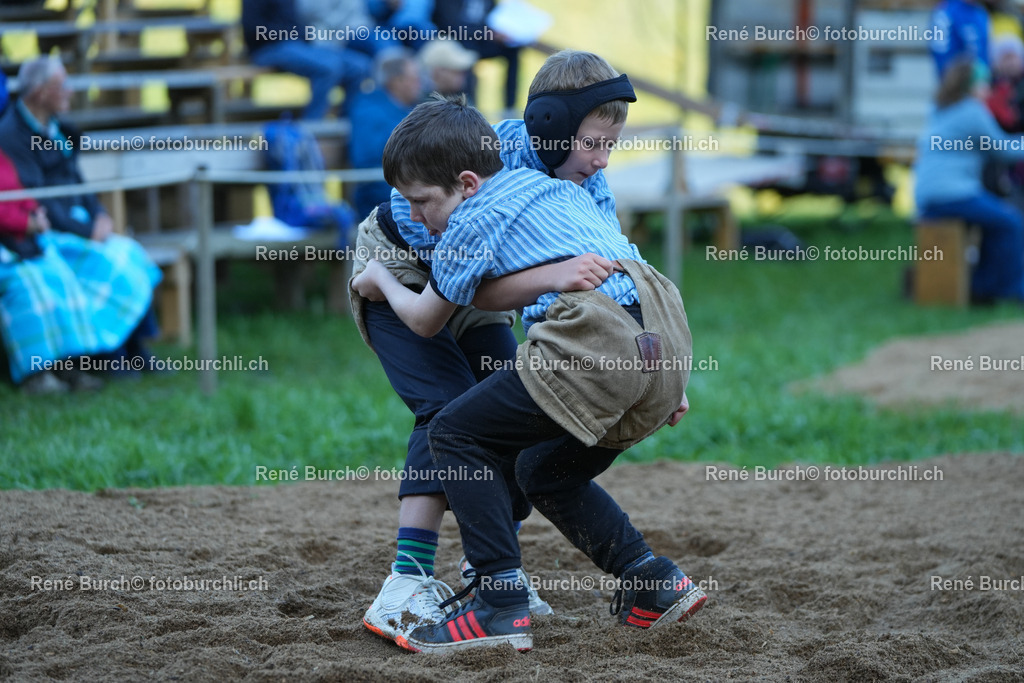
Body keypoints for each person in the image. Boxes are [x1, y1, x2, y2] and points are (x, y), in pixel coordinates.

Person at [352, 95, 704, 654]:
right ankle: (651, 582)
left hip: (594, 334)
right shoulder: (545, 179)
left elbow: (428, 314)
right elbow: (625, 268)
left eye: (606, 145)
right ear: (550, 129)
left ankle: (497, 601)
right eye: (592, 143)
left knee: (454, 429)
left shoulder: (497, 205)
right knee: (539, 466)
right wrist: (662, 368)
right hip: (657, 334)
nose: (601, 159)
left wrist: (377, 282)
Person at [0, 57, 162, 369]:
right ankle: (110, 356)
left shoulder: (57, 128)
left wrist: (99, 214)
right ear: (40, 92)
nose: (70, 92)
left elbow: (77, 180)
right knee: (107, 265)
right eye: (62, 85)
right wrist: (87, 232)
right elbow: (39, 198)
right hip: (48, 232)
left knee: (129, 254)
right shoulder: (11, 135)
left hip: (78, 224)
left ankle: (137, 348)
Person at [915, 58, 1024, 303]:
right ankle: (1010, 290)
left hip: (929, 194)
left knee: (995, 222)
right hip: (952, 194)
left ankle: (982, 287)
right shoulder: (971, 111)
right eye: (984, 84)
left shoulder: (941, 109)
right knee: (1011, 222)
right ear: (971, 86)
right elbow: (1002, 149)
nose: (988, 90)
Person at [242, 0, 372, 119]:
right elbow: (252, 29)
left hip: (298, 44)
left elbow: (297, 24)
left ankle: (347, 127)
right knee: (328, 68)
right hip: (267, 48)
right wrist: (292, 34)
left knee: (359, 67)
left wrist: (304, 35)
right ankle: (312, 128)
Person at [349, 49, 422, 220]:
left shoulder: (404, 107)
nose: (420, 84)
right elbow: (367, 160)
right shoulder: (368, 110)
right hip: (383, 197)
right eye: (415, 78)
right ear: (396, 81)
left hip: (407, 189)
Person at [432, 0, 519, 110]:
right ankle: (469, 106)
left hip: (480, 39)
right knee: (467, 58)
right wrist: (487, 33)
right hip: (455, 39)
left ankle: (509, 107)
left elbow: (492, 18)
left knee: (512, 49)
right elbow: (450, 23)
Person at [931, 0, 992, 77]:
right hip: (957, 81)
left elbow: (985, 51)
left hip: (981, 81)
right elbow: (941, 53)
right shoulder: (945, 13)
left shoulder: (981, 13)